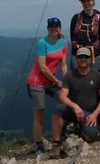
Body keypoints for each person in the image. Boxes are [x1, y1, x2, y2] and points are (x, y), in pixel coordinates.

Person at [50, 47, 100, 158]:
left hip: (90, 114)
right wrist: (75, 106)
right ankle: (56, 142)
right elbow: (62, 96)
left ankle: (79, 129)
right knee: (57, 109)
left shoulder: (97, 76)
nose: (83, 59)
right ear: (76, 59)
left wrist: (95, 114)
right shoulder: (70, 76)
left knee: (91, 137)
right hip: (73, 111)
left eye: (86, 57)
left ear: (90, 59)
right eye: (80, 57)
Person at [25, 17, 68, 155]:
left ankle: (61, 135)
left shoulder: (63, 42)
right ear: (48, 28)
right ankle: (38, 144)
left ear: (60, 28)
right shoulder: (42, 43)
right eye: (51, 26)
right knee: (39, 113)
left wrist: (66, 82)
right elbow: (42, 68)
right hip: (36, 82)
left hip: (51, 82)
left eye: (56, 26)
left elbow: (63, 65)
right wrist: (57, 81)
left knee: (66, 101)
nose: (54, 29)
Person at [70, 0, 100, 73]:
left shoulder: (99, 20)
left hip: (93, 55)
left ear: (93, 2)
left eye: (88, 1)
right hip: (78, 53)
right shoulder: (76, 18)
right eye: (84, 1)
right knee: (76, 78)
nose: (86, 4)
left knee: (94, 78)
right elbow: (73, 36)